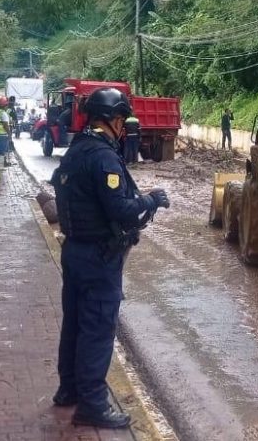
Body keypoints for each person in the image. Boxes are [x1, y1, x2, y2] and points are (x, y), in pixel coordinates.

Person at [50, 88, 169, 429]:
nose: (123, 127)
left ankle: (68, 390)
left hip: (75, 251)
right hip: (98, 257)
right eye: (121, 120)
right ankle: (92, 405)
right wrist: (151, 200)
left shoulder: (76, 150)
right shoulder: (103, 157)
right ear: (114, 120)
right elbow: (121, 208)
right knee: (97, 328)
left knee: (74, 322)